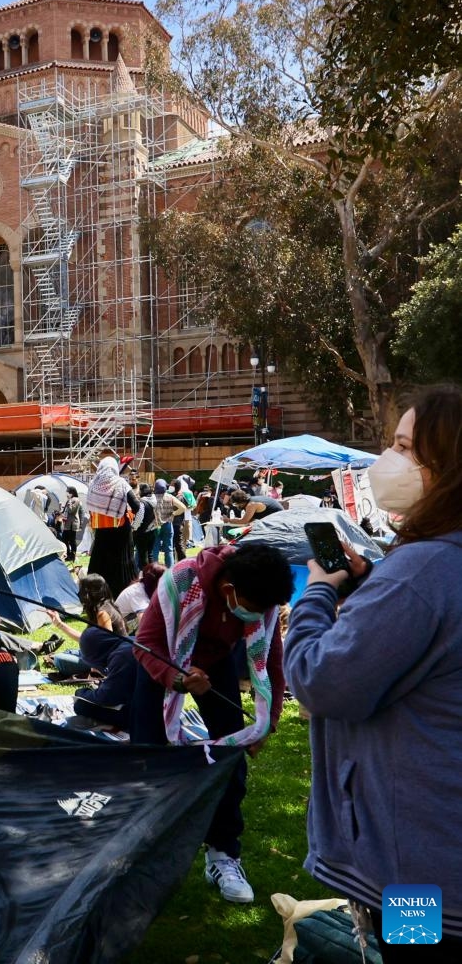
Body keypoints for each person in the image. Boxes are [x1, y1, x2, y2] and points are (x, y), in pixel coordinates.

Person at [283, 384, 462, 960]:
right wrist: (369, 588)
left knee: (415, 950)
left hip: (422, 868)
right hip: (442, 841)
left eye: (406, 447)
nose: (391, 460)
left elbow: (320, 679)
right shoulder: (432, 566)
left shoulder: (422, 571)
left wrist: (317, 592)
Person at [131, 542, 294, 904]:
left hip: (216, 665)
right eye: (251, 611)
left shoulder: (260, 604)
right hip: (163, 661)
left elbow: (274, 661)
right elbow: (144, 644)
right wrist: (176, 677)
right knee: (149, 758)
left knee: (230, 757)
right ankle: (142, 850)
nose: (255, 619)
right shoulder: (180, 580)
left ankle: (223, 853)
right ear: (228, 591)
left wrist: (269, 721)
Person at [49, 574, 134, 731]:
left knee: (60, 660)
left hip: (105, 661)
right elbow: (91, 641)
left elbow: (107, 697)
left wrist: (82, 693)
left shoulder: (103, 614)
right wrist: (60, 625)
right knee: (65, 654)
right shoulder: (108, 607)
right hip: (104, 656)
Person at [86, 454, 140, 597]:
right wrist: (126, 513)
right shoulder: (120, 483)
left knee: (101, 564)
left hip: (101, 532)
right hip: (121, 531)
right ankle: (124, 596)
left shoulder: (92, 484)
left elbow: (89, 508)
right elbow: (136, 505)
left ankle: (95, 595)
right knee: (123, 564)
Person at [114, 562, 166, 632]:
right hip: (121, 632)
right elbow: (146, 625)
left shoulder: (145, 587)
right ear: (155, 582)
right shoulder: (138, 593)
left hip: (130, 626)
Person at [152, 478, 186, 566]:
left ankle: (154, 569)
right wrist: (173, 514)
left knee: (155, 549)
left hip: (155, 525)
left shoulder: (152, 497)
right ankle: (170, 570)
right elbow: (183, 508)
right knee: (169, 549)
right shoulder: (169, 497)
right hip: (168, 524)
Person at [131, 482, 159, 570]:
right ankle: (152, 573)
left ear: (142, 491)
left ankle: (145, 574)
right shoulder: (155, 499)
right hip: (153, 530)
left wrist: (133, 528)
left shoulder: (142, 502)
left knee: (143, 555)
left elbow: (139, 517)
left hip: (142, 532)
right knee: (150, 554)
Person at [61, 486, 84, 562]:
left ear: (72, 492)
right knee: (64, 539)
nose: (67, 493)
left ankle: (72, 556)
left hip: (72, 524)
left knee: (72, 541)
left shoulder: (76, 500)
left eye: (68, 492)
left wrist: (69, 501)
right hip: (67, 523)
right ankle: (68, 554)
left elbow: (71, 511)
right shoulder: (70, 500)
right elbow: (66, 510)